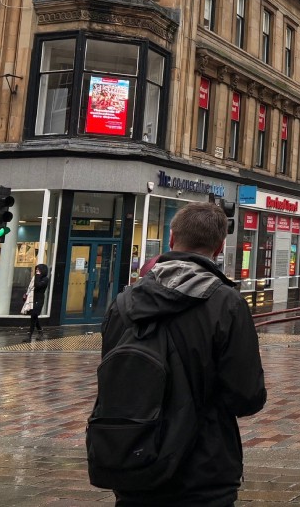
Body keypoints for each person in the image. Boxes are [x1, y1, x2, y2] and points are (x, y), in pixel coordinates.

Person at [101, 202, 266, 506]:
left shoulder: (123, 303)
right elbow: (247, 396)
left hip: (133, 458)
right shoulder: (227, 304)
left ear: (172, 239)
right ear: (219, 247)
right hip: (203, 469)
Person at [21, 263, 49, 336]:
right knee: (34, 316)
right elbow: (30, 287)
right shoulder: (36, 277)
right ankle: (40, 331)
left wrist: (37, 276)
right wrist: (26, 295)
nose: (37, 271)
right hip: (32, 298)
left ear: (43, 270)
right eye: (36, 269)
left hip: (39, 300)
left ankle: (29, 335)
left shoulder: (45, 279)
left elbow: (38, 285)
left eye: (38, 269)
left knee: (33, 316)